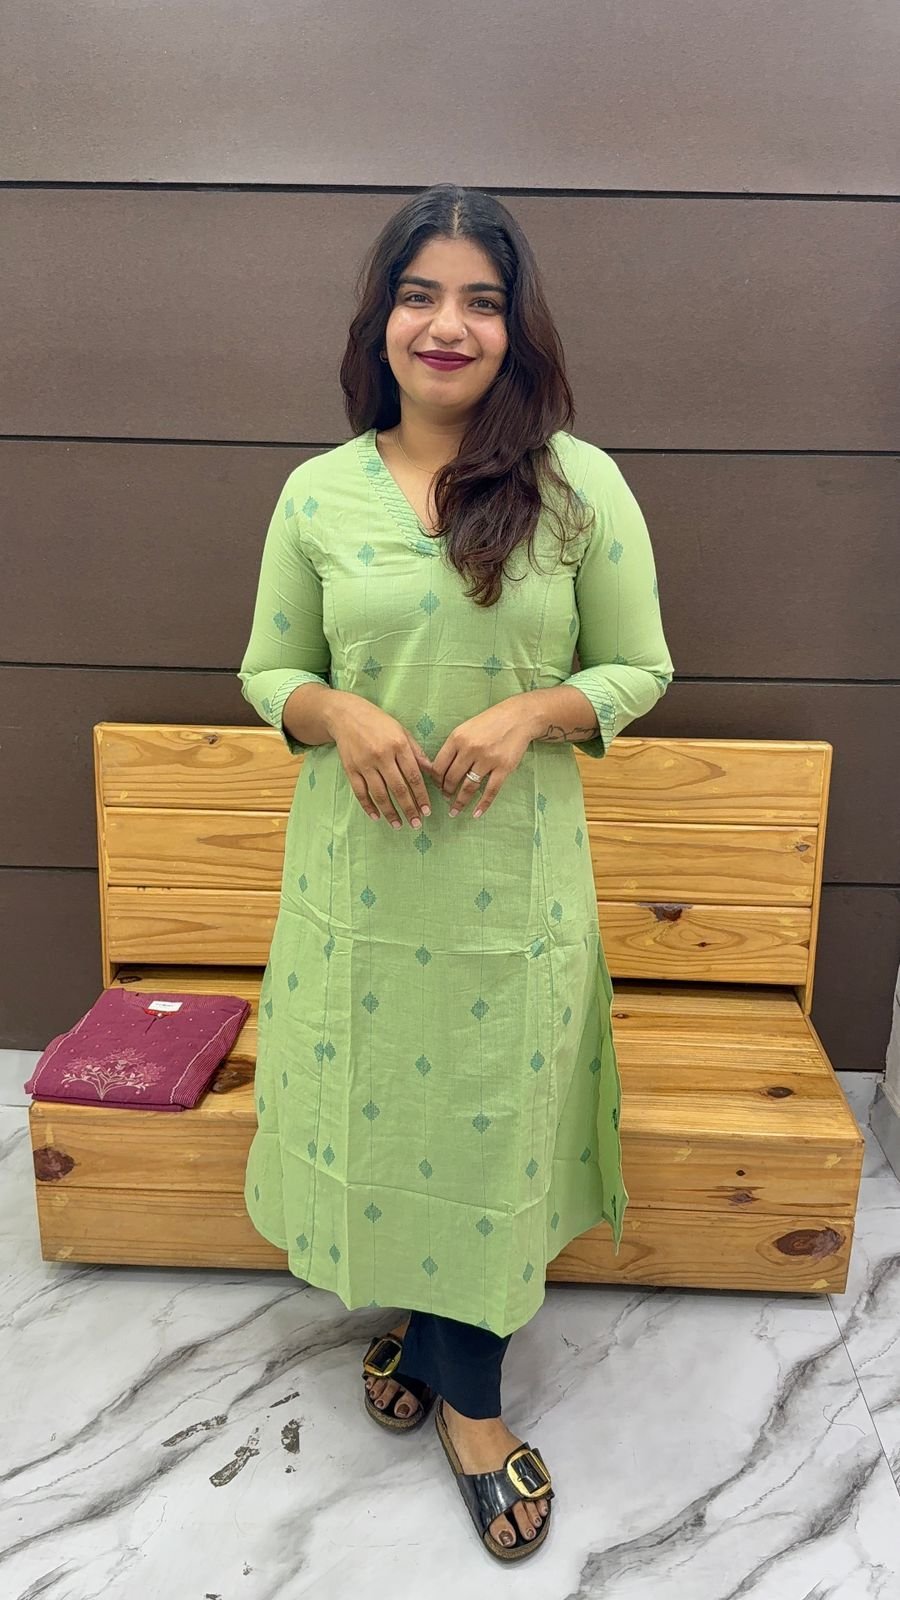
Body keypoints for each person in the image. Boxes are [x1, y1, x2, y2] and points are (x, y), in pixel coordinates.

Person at [237, 182, 674, 1563]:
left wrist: (534, 711)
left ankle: (468, 1403)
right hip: (361, 891)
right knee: (381, 1109)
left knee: (487, 1124)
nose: (448, 324)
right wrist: (338, 714)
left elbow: (641, 667)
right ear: (381, 319)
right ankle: (422, 1333)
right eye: (420, 294)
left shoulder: (576, 484)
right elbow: (268, 672)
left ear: (515, 327)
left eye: (482, 300)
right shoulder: (318, 492)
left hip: (510, 897)